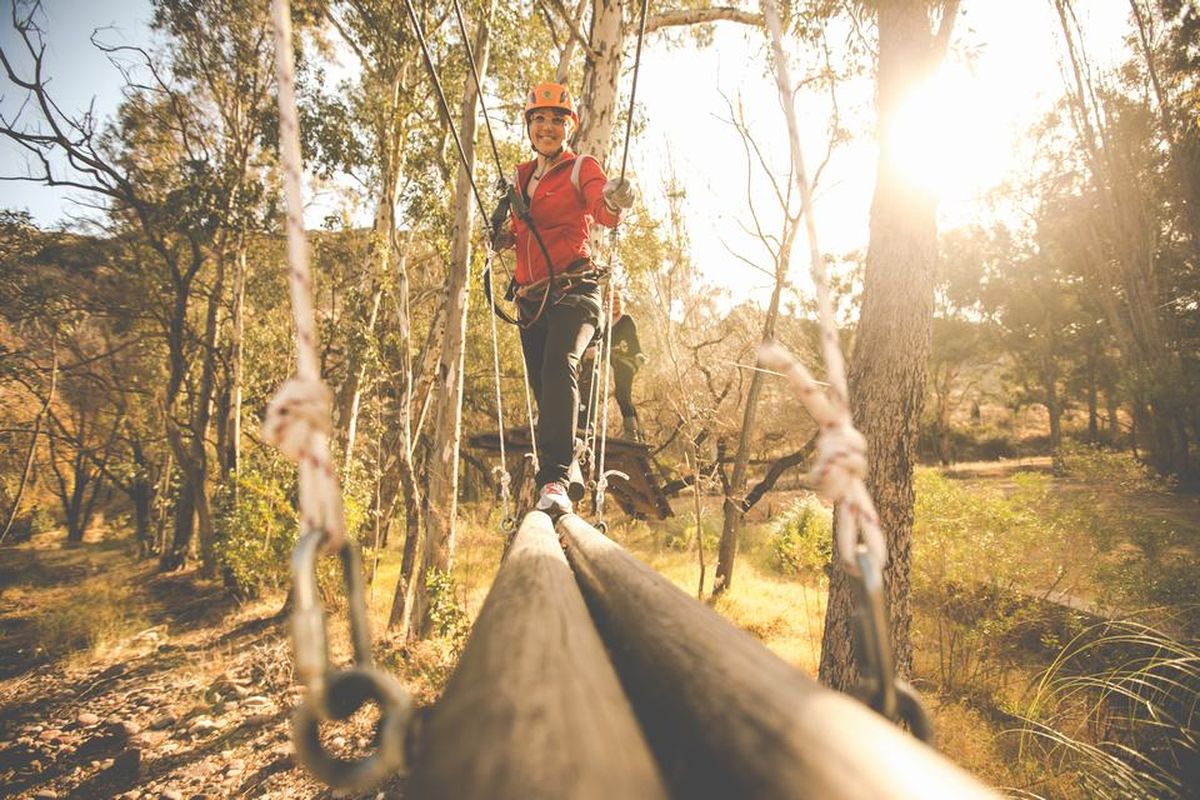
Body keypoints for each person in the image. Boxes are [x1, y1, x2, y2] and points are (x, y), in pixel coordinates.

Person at [492, 81, 636, 515]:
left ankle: (553, 478)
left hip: (576, 292)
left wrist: (615, 198)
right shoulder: (516, 178)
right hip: (531, 303)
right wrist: (498, 233)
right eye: (539, 119)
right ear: (529, 127)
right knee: (546, 390)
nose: (548, 127)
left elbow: (603, 209)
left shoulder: (580, 168)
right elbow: (505, 234)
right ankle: (571, 456)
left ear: (569, 127)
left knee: (560, 365)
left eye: (557, 120)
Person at [579, 288, 647, 441]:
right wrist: (591, 356)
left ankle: (632, 433)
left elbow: (633, 338)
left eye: (617, 301)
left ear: (621, 303)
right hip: (616, 362)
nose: (614, 304)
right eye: (611, 301)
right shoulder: (606, 324)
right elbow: (602, 345)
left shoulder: (626, 320)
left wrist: (638, 354)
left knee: (622, 394)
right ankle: (637, 431)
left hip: (627, 361)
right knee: (623, 395)